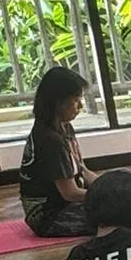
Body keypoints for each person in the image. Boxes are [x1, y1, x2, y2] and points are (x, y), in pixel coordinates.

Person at [18, 66, 97, 237]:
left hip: (65, 204)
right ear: (58, 103)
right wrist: (106, 196)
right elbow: (70, 193)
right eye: (75, 100)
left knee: (123, 202)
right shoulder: (50, 140)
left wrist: (109, 186)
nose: (80, 106)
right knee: (121, 217)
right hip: (48, 216)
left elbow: (82, 170)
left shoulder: (63, 127)